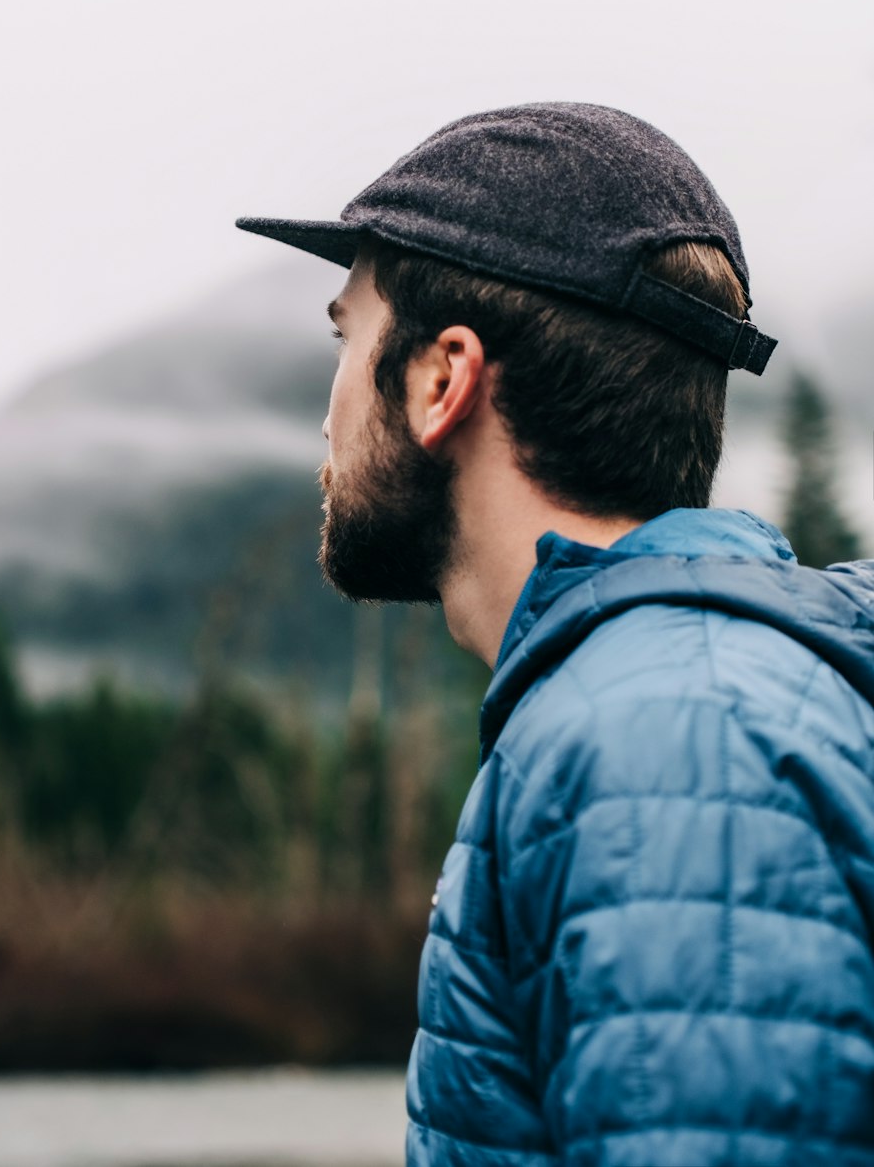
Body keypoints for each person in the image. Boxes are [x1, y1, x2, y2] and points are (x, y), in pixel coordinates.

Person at [237, 102, 874, 1165]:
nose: (324, 413)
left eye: (347, 339)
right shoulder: (670, 706)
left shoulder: (663, 748)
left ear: (443, 380)